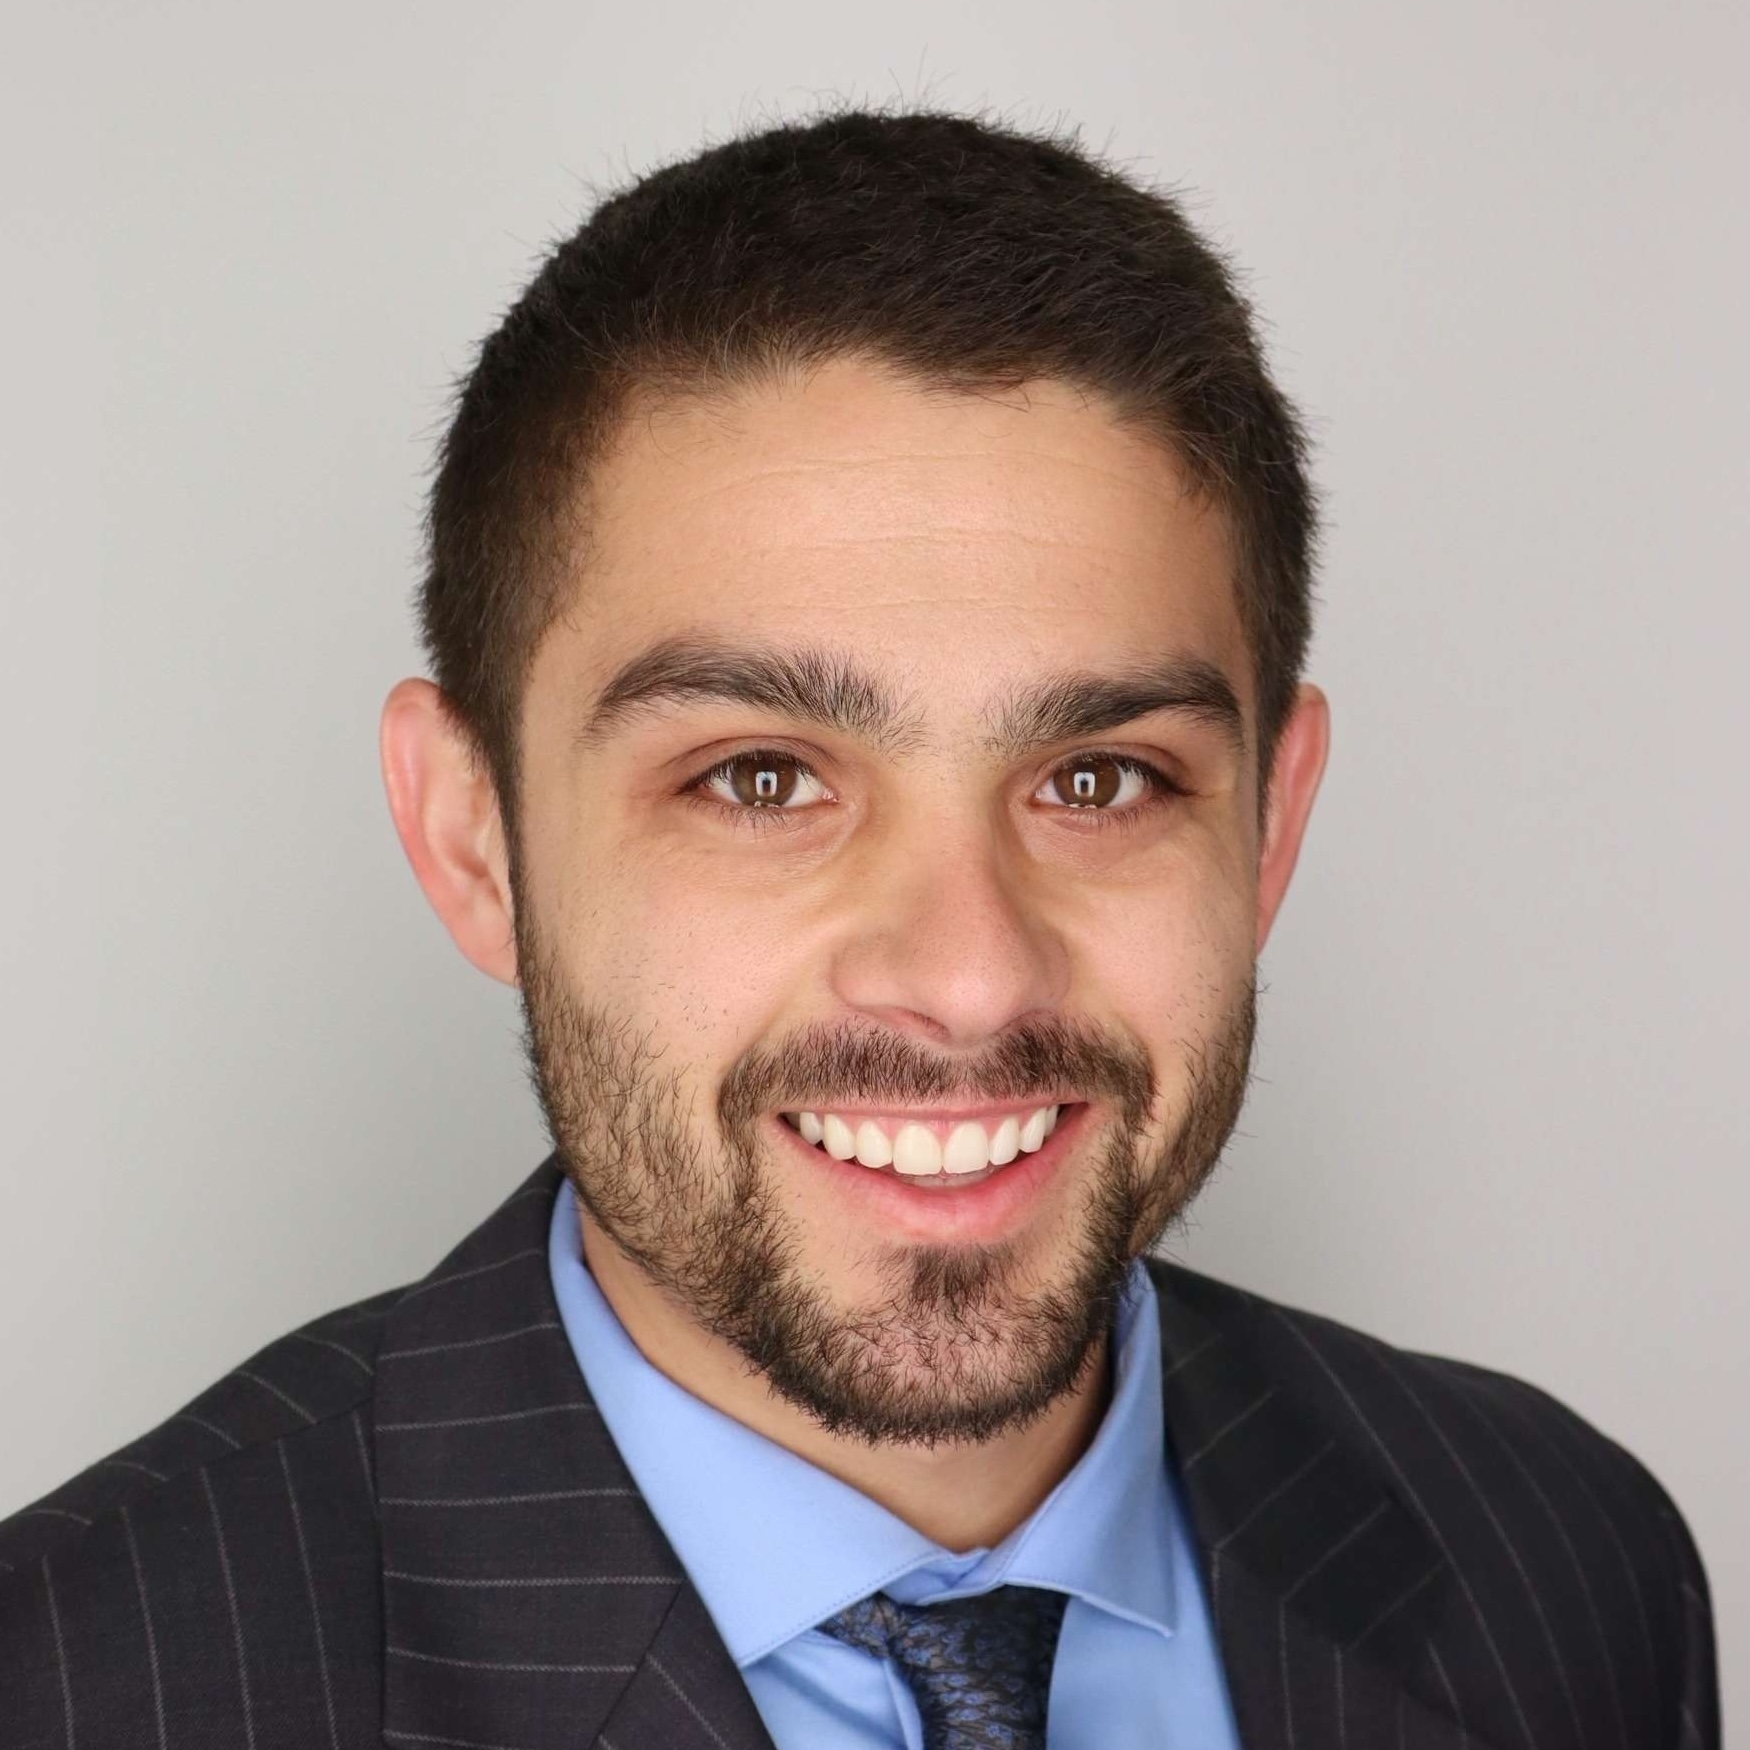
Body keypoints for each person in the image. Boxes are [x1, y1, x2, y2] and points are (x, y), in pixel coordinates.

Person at [0, 107, 1718, 1750]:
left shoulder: (1565, 1564)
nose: (967, 973)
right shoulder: (76, 1683)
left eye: (1101, 779)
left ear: (1270, 824)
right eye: (760, 779)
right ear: (474, 840)